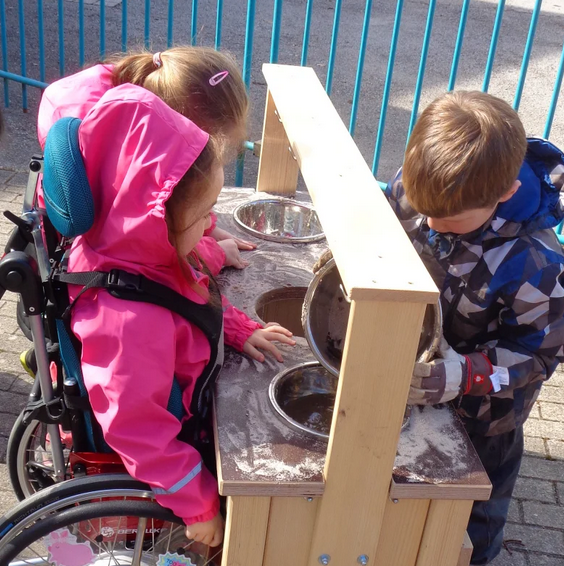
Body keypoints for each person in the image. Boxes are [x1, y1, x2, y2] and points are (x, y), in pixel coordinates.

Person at [63, 84, 295, 547]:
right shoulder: (129, 323)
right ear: (156, 220)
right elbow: (139, 429)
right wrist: (198, 503)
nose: (212, 222)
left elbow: (180, 279)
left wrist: (230, 310)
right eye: (205, 214)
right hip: (171, 458)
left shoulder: (120, 243)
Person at [385, 90, 564, 564]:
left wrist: (465, 375)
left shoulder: (538, 267)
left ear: (504, 193)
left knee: (475, 511)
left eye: (449, 220)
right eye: (424, 209)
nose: (431, 224)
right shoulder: (428, 185)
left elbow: (538, 355)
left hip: (488, 417)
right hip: (420, 373)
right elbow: (388, 216)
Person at [37, 46, 254, 272]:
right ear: (173, 125)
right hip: (75, 255)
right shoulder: (114, 143)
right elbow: (143, 254)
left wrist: (203, 223)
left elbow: (170, 199)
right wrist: (212, 252)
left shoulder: (146, 86)